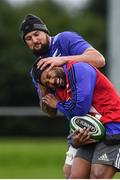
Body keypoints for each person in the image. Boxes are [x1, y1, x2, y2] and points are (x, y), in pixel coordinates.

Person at [19, 14, 105, 177]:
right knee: (69, 173)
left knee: (97, 173)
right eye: (28, 39)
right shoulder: (37, 70)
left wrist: (63, 60)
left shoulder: (64, 40)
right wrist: (41, 84)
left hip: (99, 116)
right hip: (77, 124)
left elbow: (99, 60)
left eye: (36, 34)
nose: (34, 40)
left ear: (45, 32)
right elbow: (50, 112)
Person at [31, 58, 120, 179]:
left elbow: (80, 108)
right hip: (90, 135)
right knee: (73, 176)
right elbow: (71, 117)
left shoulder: (79, 69)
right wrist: (75, 140)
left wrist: (58, 104)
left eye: (49, 75)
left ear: (54, 64)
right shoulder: (60, 89)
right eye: (47, 82)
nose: (52, 81)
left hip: (115, 130)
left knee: (98, 174)